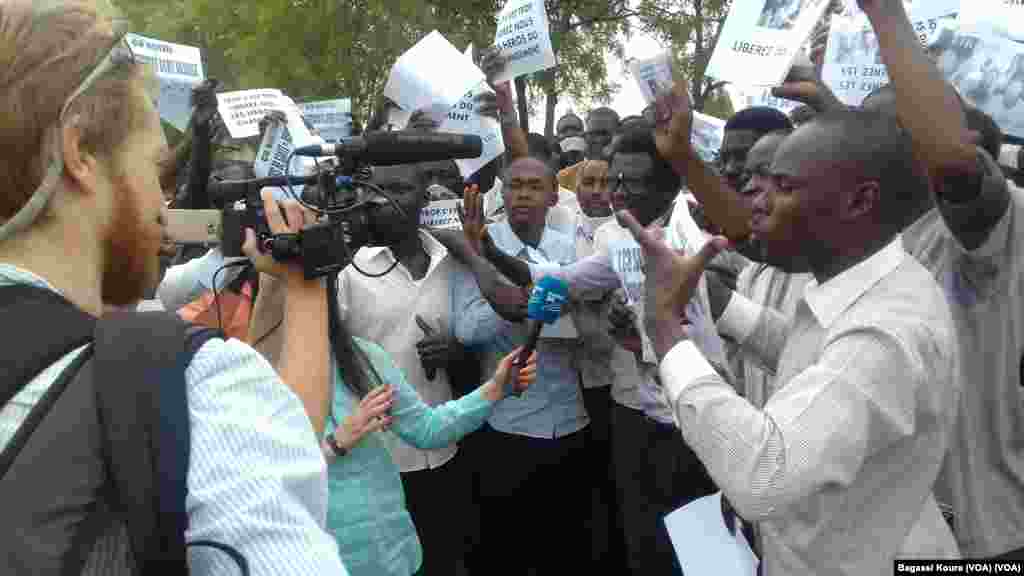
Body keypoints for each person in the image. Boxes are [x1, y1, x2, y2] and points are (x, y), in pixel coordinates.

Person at [0, 2, 347, 573]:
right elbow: (262, 467)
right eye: (158, 172)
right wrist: (308, 291)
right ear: (80, 151)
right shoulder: (190, 389)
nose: (165, 207)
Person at [625, 103, 960, 573]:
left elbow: (764, 473)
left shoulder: (885, 330)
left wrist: (665, 330)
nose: (755, 200)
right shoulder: (857, 285)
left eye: (783, 186)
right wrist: (719, 305)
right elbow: (816, 363)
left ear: (859, 200)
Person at [862, 0, 1024, 559]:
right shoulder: (887, 240)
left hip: (985, 540)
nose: (862, 151)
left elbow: (953, 170)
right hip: (910, 524)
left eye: (883, 135)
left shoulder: (981, 227)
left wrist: (884, 15)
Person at [453, 156, 590, 576]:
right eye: (515, 185)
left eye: (534, 186)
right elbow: (467, 328)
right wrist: (524, 300)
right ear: (503, 193)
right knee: (506, 553)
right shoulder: (476, 245)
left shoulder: (573, 250)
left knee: (565, 550)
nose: (524, 194)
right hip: (506, 427)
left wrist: (529, 297)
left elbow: (586, 326)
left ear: (553, 195)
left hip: (569, 421)